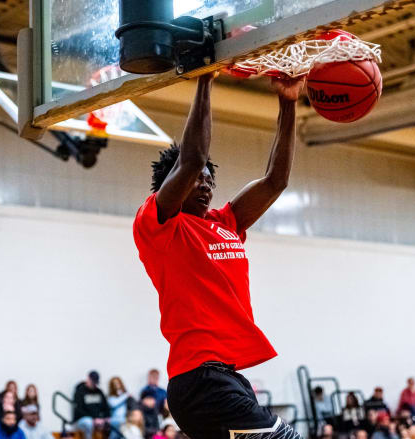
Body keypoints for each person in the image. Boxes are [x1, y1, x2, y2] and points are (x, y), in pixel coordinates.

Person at [133, 71, 304, 439]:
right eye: (198, 178)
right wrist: (205, 77)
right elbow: (192, 158)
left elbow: (277, 180)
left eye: (211, 178)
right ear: (173, 183)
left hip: (226, 376)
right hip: (200, 377)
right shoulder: (159, 224)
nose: (206, 182)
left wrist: (288, 102)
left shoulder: (226, 221)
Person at [73, 371, 110, 439]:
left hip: (99, 419)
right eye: (92, 381)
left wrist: (105, 418)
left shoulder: (99, 392)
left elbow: (106, 407)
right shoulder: (80, 391)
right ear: (88, 379)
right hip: (83, 419)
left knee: (113, 422)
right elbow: (79, 410)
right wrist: (94, 419)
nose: (94, 384)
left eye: (95, 382)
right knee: (88, 422)